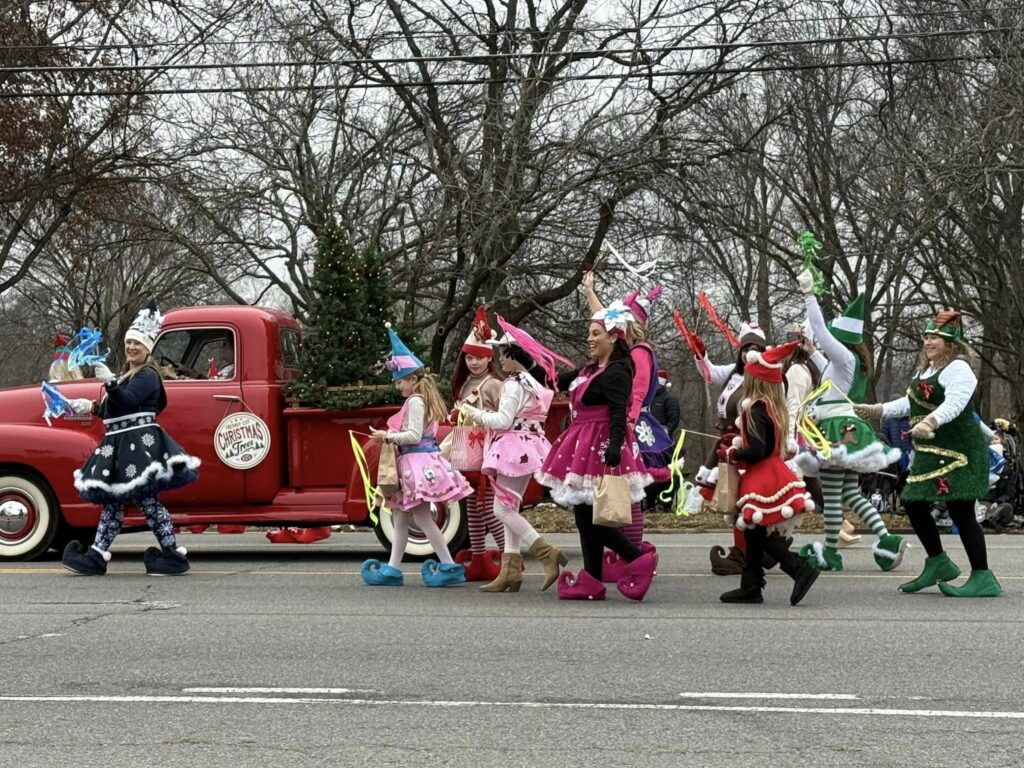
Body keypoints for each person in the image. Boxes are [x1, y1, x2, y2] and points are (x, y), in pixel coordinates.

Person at [856, 311, 1002, 597]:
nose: (927, 342)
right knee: (912, 500)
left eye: (934, 337)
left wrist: (931, 421)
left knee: (961, 510)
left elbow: (956, 403)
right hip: (931, 452)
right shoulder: (927, 370)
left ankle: (983, 576)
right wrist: (877, 410)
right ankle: (938, 562)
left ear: (951, 342)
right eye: (926, 337)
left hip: (959, 452)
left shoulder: (959, 368)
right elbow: (909, 403)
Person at [62, 303, 201, 576]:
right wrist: (88, 407)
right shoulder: (129, 376)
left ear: (148, 348)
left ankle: (172, 555)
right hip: (121, 445)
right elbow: (114, 408)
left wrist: (110, 383)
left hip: (137, 447)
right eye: (129, 342)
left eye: (137, 343)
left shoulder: (147, 375)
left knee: (147, 501)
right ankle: (96, 555)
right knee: (113, 502)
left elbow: (127, 401)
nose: (131, 347)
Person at [536, 302, 657, 601]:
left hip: (600, 447)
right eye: (589, 334)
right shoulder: (589, 369)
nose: (589, 339)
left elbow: (618, 412)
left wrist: (614, 446)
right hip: (582, 444)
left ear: (613, 337)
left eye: (595, 333)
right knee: (583, 516)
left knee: (592, 518)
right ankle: (592, 578)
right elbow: (552, 381)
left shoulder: (617, 371)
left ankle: (637, 558)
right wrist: (525, 359)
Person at [795, 273, 906, 572]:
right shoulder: (847, 362)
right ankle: (886, 538)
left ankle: (831, 552)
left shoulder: (844, 357)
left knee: (832, 497)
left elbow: (819, 328)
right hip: (847, 429)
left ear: (841, 338)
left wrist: (809, 294)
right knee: (850, 494)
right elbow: (829, 374)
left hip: (835, 431)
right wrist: (812, 351)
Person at [457, 317, 568, 592]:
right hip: (532, 444)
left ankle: (546, 551)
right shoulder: (537, 383)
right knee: (511, 506)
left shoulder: (513, 384)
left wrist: (472, 412)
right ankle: (510, 570)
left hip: (512, 447)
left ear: (513, 355)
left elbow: (502, 421)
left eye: (503, 354)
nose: (500, 360)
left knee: (501, 509)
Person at [361, 324, 473, 587]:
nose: (397, 385)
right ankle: (393, 568)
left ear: (412, 379)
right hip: (421, 461)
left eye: (399, 381)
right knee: (401, 516)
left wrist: (387, 436)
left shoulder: (415, 401)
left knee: (421, 517)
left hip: (415, 462)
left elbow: (413, 436)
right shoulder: (422, 399)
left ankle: (448, 566)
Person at [581, 273, 670, 576]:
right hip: (627, 421)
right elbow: (605, 318)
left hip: (633, 422)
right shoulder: (630, 349)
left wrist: (626, 424)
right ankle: (627, 555)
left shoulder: (639, 352)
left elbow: (638, 390)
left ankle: (631, 557)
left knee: (628, 494)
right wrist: (590, 292)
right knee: (624, 492)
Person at [719, 340, 820, 605]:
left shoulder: (755, 408)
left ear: (755, 380)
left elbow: (758, 450)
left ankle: (798, 568)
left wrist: (734, 453)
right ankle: (751, 585)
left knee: (756, 531)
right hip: (772, 471)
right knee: (754, 532)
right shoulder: (772, 407)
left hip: (762, 475)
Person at [691, 321, 770, 575]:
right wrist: (700, 354)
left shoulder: (763, 377)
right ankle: (759, 550)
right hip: (727, 444)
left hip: (748, 445)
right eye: (745, 348)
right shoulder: (735, 373)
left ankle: (745, 553)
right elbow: (710, 374)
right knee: (735, 500)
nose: (749, 353)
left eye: (755, 348)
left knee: (743, 500)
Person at [448, 307, 506, 581]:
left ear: (489, 358)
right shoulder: (464, 383)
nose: (473, 363)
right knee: (471, 504)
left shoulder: (494, 384)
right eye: (470, 358)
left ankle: (510, 556)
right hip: (465, 448)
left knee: (487, 506)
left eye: (479, 358)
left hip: (487, 449)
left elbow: (504, 417)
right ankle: (478, 556)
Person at [648, 369, 680, 510]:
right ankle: (649, 503)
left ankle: (665, 503)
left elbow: (673, 420)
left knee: (667, 473)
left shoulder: (669, 399)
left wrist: (664, 431)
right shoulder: (646, 399)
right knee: (649, 472)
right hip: (647, 443)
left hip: (664, 444)